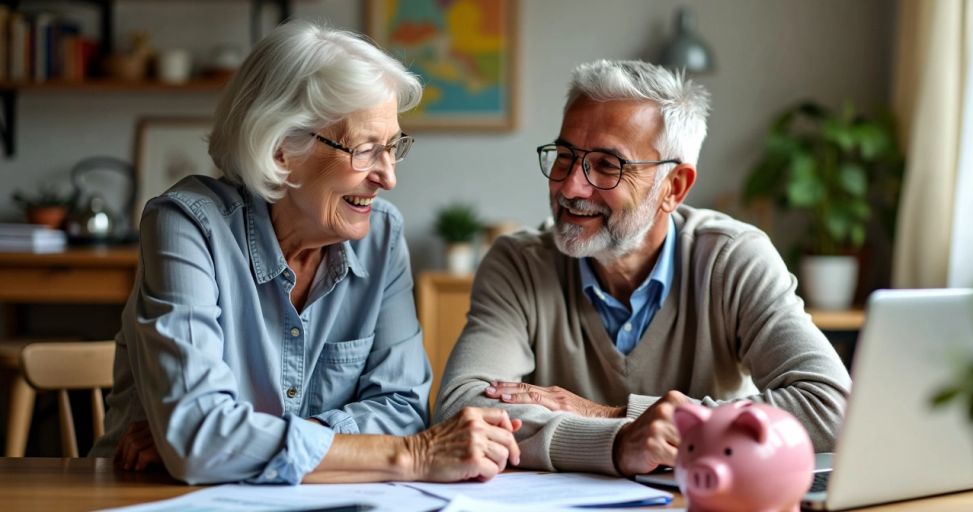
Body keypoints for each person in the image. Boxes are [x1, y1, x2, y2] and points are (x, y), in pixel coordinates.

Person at [89, 20, 520, 485]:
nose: (388, 177)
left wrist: (244, 442)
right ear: (280, 151)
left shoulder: (381, 237)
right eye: (365, 150)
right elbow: (198, 441)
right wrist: (410, 456)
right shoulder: (187, 225)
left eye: (393, 147)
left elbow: (403, 410)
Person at [435, 59, 852, 476]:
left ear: (673, 188)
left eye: (607, 166)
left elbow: (832, 407)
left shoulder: (733, 258)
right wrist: (618, 443)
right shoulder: (518, 263)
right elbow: (460, 408)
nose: (569, 186)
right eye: (565, 156)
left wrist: (612, 414)